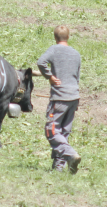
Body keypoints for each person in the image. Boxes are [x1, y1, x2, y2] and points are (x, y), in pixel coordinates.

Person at [37, 25, 82, 174]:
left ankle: (70, 154)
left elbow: (41, 62)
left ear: (55, 38)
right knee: (64, 132)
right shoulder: (76, 54)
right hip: (74, 96)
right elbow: (77, 76)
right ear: (68, 37)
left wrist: (49, 77)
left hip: (60, 97)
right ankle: (59, 167)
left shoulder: (54, 49)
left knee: (52, 130)